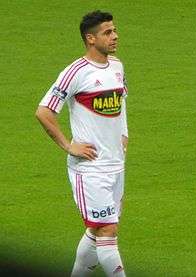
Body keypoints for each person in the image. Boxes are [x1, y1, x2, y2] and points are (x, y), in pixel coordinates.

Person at [36, 10, 128, 277]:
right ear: (90, 38)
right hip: (89, 169)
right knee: (107, 231)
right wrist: (68, 145)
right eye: (107, 32)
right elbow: (44, 111)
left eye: (114, 30)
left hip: (115, 164)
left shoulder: (117, 66)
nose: (114, 36)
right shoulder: (75, 72)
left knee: (97, 228)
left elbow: (121, 103)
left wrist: (124, 134)